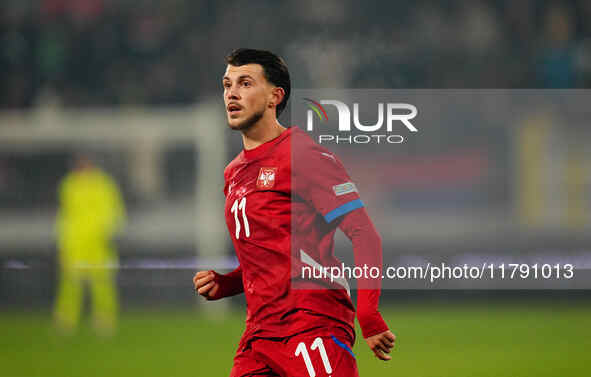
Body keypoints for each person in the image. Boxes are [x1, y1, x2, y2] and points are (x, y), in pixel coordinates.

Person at [193, 48, 395, 376]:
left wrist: (369, 314)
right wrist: (227, 283)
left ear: (275, 96)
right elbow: (271, 257)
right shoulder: (234, 172)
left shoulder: (304, 155)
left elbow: (364, 233)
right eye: (227, 84)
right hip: (258, 336)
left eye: (245, 83)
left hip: (311, 324)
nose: (231, 93)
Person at [54, 155, 126, 334]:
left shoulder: (103, 184)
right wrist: (62, 240)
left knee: (101, 281)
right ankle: (66, 319)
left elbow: (114, 209)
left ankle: (104, 319)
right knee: (71, 281)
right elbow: (65, 213)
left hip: (99, 240)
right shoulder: (69, 184)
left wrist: (111, 231)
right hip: (74, 241)